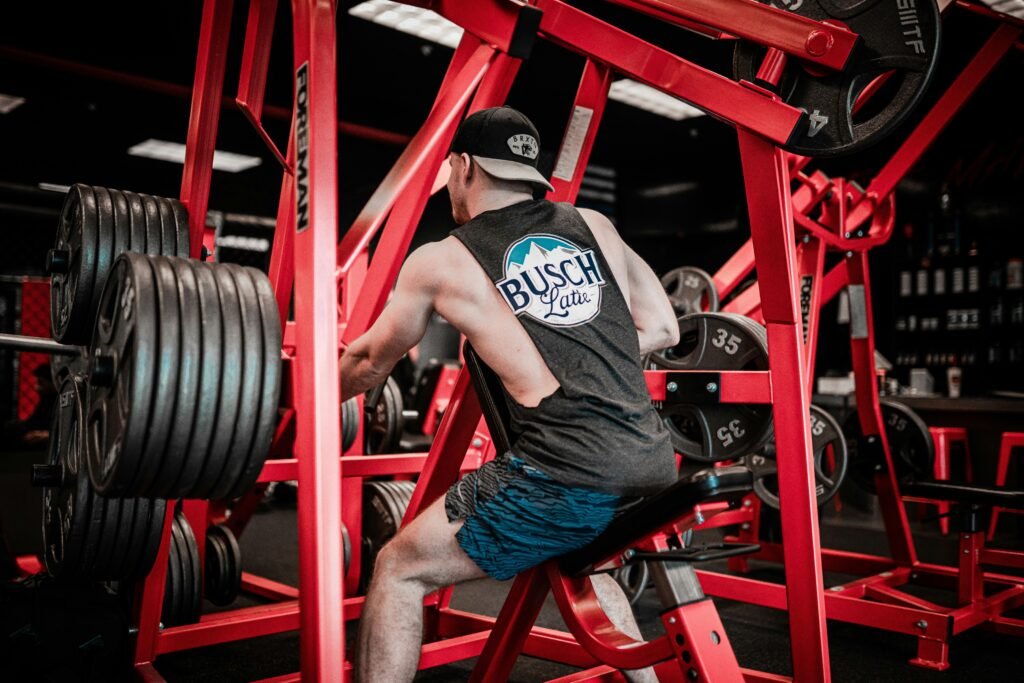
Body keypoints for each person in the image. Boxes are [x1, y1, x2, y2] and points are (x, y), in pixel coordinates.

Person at [341, 106, 679, 682]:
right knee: (586, 562)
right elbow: (664, 329)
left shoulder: (442, 259)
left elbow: (370, 362)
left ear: (464, 166)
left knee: (398, 568)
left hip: (566, 474)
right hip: (651, 460)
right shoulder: (593, 224)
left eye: (451, 171)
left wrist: (301, 396)